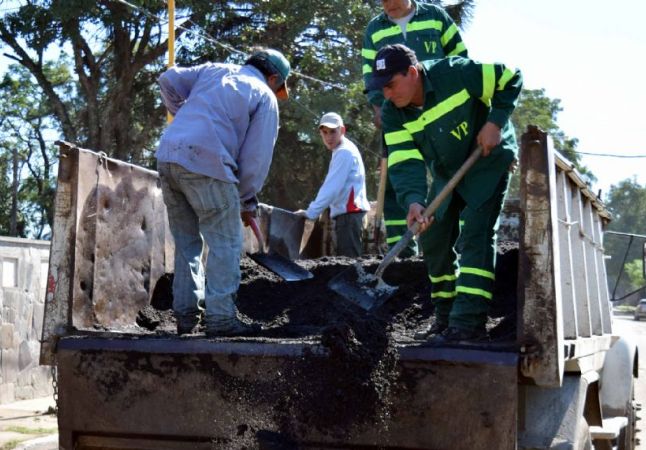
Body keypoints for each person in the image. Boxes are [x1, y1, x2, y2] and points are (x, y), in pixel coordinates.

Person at [367, 44, 522, 343]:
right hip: (448, 170)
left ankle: (468, 323)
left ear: (412, 73)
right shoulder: (393, 113)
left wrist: (495, 121)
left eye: (391, 85)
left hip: (487, 159)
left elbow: (509, 76)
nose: (386, 94)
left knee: (475, 235)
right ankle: (445, 317)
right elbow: (404, 160)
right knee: (433, 236)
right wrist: (413, 201)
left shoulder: (455, 73)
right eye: (381, 88)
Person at [156, 47, 291, 336]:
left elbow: (168, 79)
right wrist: (246, 198)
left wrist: (182, 114)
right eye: (279, 86)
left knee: (187, 242)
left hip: (168, 154)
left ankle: (186, 317)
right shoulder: (264, 95)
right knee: (226, 244)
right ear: (274, 78)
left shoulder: (214, 70)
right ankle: (220, 320)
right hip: (207, 163)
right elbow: (255, 159)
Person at [362, 0, 469, 256]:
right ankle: (402, 251)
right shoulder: (374, 29)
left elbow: (461, 60)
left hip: (441, 116)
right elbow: (369, 74)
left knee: (455, 173)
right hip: (398, 116)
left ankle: (464, 243)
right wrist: (380, 107)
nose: (386, 4)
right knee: (396, 178)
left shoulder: (437, 17)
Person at [297, 112, 370, 257]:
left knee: (350, 266)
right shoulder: (343, 150)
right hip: (350, 216)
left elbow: (331, 188)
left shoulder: (344, 152)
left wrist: (311, 212)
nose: (328, 137)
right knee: (349, 264)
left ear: (342, 130)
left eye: (333, 132)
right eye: (324, 133)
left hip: (350, 217)